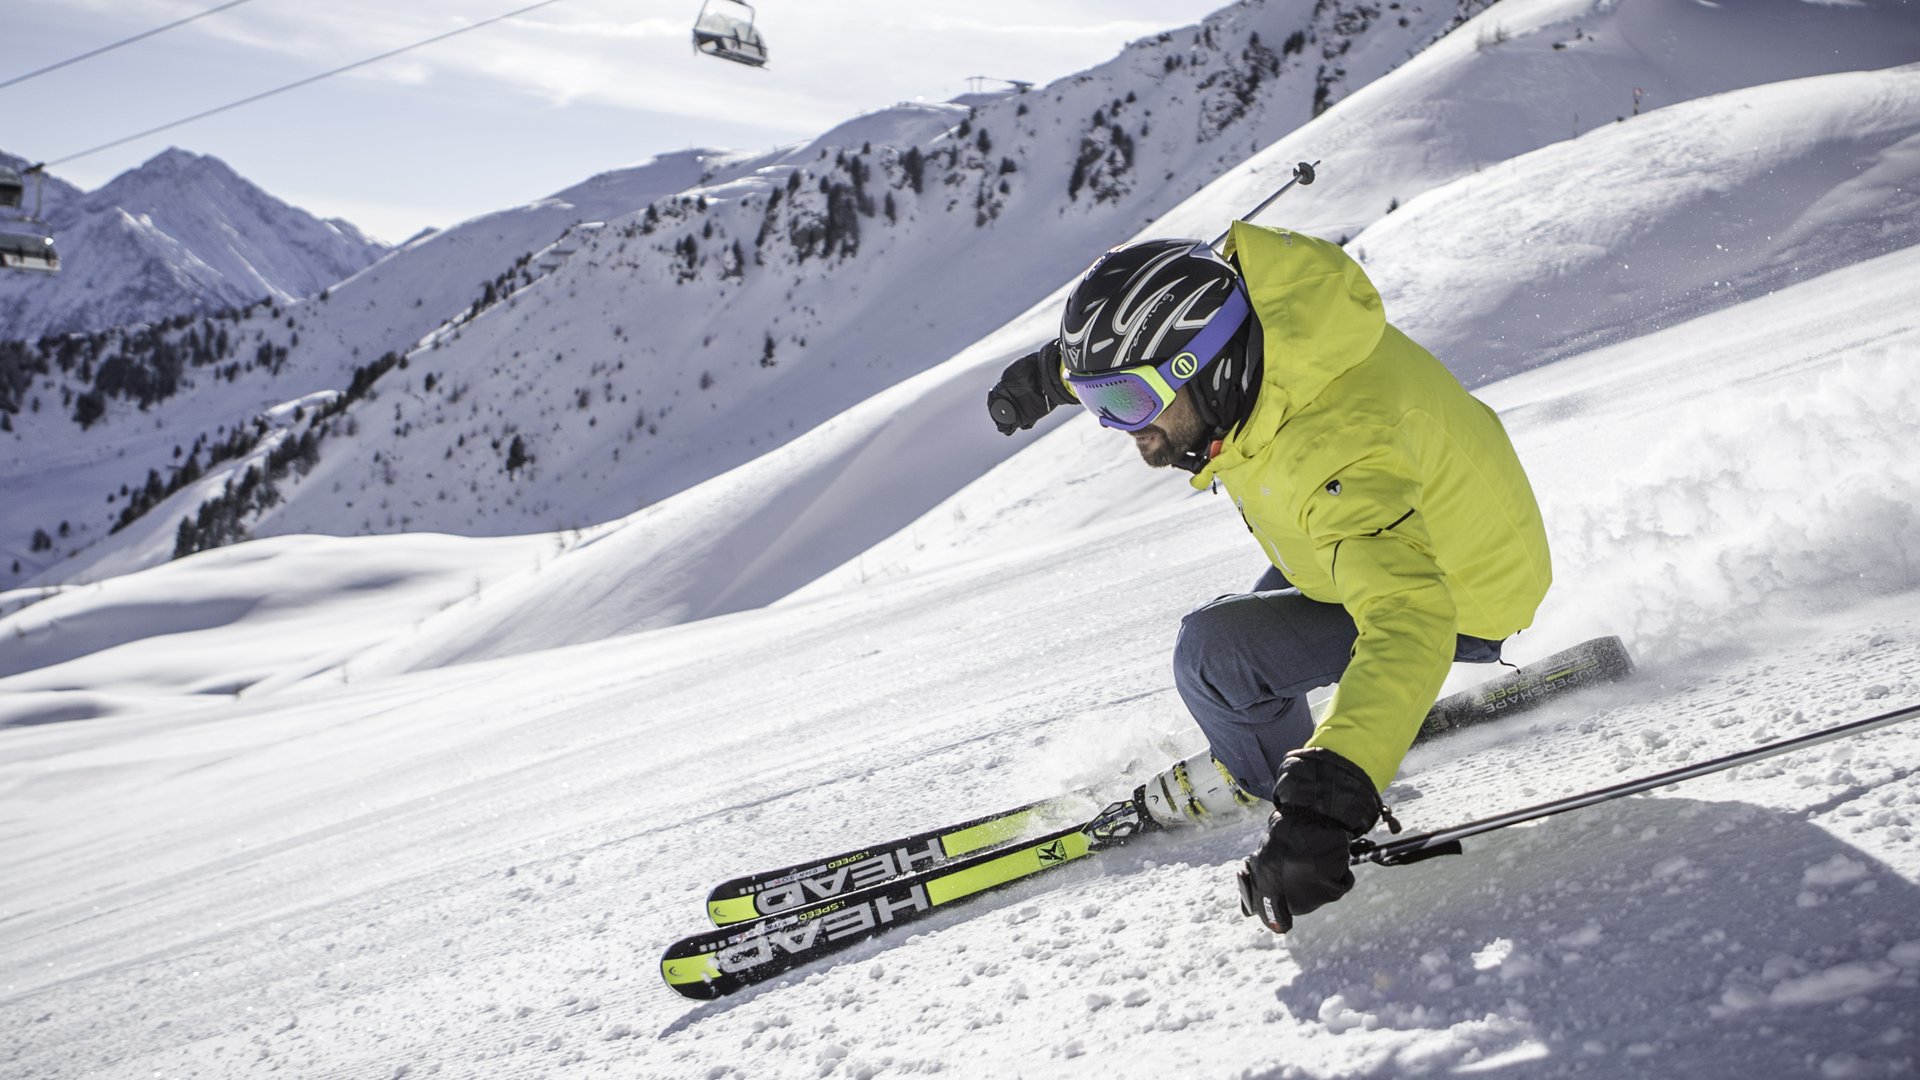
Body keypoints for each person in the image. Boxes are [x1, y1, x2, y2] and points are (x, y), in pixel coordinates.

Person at [986, 224, 1552, 933]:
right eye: (1102, 404)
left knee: (1215, 657)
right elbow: (1160, 344)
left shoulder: (1334, 449)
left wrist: (1324, 804)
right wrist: (1056, 376)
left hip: (1457, 592)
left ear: (1204, 368)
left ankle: (1267, 778)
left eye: (1126, 403)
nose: (1122, 430)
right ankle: (1286, 737)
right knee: (1238, 653)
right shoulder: (1269, 332)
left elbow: (1412, 618)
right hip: (1407, 541)